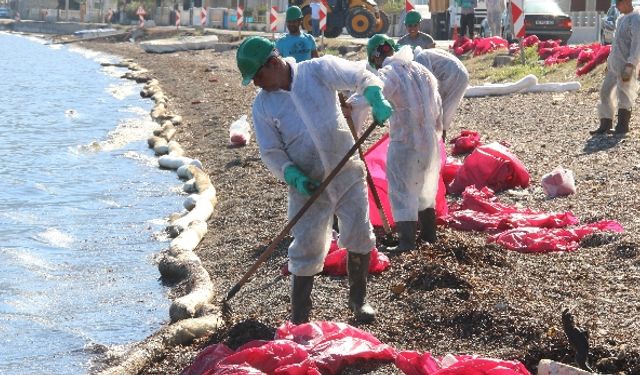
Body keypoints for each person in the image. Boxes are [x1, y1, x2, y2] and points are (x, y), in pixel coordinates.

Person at [236, 36, 393, 323]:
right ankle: (300, 315)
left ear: (273, 63)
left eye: (258, 76)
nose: (256, 84)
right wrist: (292, 175)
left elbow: (360, 74)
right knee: (306, 243)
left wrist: (375, 96)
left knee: (359, 232)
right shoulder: (263, 107)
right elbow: (271, 151)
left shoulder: (317, 70)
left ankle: (358, 301)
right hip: (307, 182)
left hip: (344, 168)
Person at [367, 34, 442, 252]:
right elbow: (438, 107)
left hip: (405, 143)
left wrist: (351, 109)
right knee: (425, 188)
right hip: (429, 142)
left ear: (377, 56)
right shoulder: (422, 71)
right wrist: (435, 133)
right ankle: (429, 235)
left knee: (402, 190)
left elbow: (370, 96)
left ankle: (407, 242)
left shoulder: (387, 73)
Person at [592, 0, 640, 135]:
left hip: (627, 64)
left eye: (619, 4)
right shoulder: (621, 18)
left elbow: (637, 44)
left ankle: (622, 126)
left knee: (624, 94)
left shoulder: (636, 20)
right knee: (605, 92)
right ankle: (605, 123)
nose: (617, 8)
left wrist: (631, 64)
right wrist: (609, 63)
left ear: (627, 2)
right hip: (615, 63)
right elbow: (616, 45)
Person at [413, 46, 469, 141]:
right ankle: (438, 142)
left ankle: (438, 144)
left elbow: (427, 82)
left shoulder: (420, 59)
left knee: (441, 112)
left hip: (453, 76)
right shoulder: (428, 53)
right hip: (461, 74)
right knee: (445, 110)